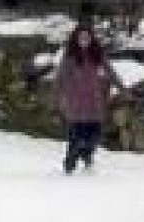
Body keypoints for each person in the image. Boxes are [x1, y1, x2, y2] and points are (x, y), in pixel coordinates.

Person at [54, 24, 126, 174]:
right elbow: (60, 78)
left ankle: (86, 157)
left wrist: (122, 88)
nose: (84, 40)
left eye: (87, 37)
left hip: (94, 101)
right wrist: (59, 96)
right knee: (75, 137)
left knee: (95, 136)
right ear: (76, 39)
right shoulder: (70, 57)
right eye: (81, 37)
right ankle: (69, 166)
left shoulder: (97, 54)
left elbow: (110, 72)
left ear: (91, 39)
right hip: (76, 102)